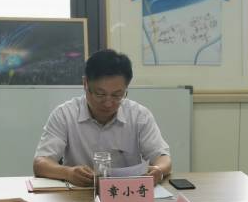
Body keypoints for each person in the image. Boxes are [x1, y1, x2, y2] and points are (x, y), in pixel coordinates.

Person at [33, 49, 172, 186]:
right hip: (80, 193)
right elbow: (40, 163)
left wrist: (158, 170)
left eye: (117, 95)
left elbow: (163, 158)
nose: (108, 103)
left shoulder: (139, 116)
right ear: (85, 84)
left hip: (126, 193)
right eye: (100, 94)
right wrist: (68, 173)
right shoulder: (65, 115)